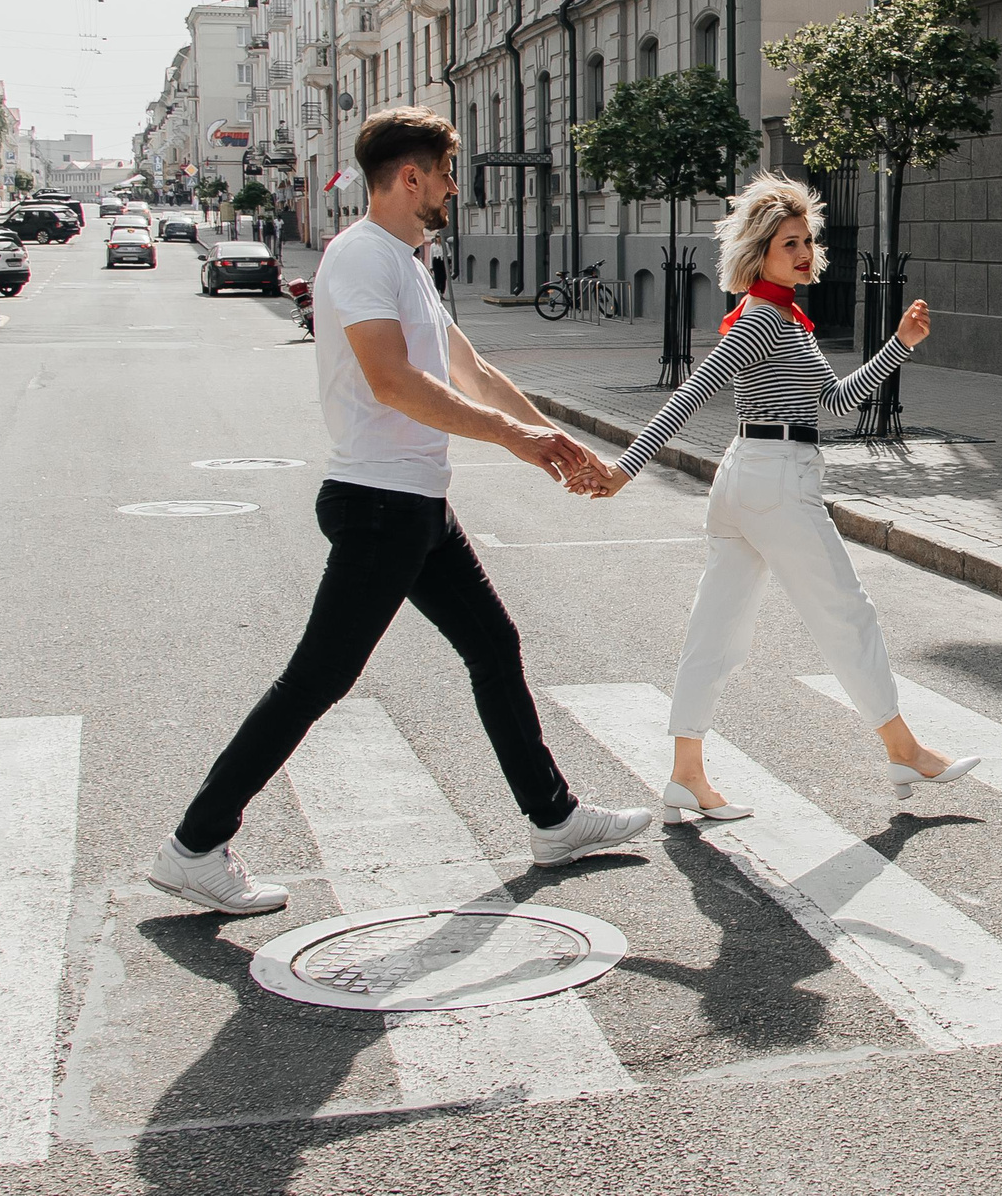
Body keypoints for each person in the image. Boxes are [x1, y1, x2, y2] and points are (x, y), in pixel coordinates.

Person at [149, 108, 651, 914]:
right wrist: (515, 438)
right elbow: (391, 381)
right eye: (447, 172)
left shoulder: (408, 261)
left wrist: (554, 439)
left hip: (416, 503)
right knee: (318, 678)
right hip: (379, 503)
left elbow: (470, 368)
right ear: (411, 177)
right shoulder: (359, 257)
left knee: (494, 643)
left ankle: (554, 820)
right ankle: (194, 844)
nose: (454, 187)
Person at [577, 175, 977, 821]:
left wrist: (899, 344)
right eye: (789, 242)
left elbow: (836, 401)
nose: (804, 252)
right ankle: (903, 749)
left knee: (717, 627)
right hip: (777, 481)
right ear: (759, 251)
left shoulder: (788, 320)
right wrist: (626, 467)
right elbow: (693, 390)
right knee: (847, 611)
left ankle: (686, 773)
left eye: (807, 241)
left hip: (748, 479)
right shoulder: (764, 320)